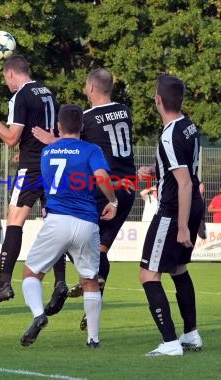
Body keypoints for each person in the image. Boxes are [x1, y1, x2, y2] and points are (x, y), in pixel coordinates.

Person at [33, 68, 137, 326]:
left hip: (106, 188)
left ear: (90, 88)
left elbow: (71, 143)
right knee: (100, 248)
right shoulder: (124, 111)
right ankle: (95, 297)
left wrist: (51, 140)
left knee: (68, 235)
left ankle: (74, 285)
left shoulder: (88, 118)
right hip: (128, 188)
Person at [0, 55, 67, 310]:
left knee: (14, 221)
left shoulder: (20, 96)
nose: (7, 84)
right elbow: (52, 130)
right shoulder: (47, 92)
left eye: (6, 79)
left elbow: (11, 138)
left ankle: (4, 283)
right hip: (52, 164)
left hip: (32, 169)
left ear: (11, 74)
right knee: (55, 221)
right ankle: (60, 281)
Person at [20, 104, 118, 348]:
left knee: (31, 274)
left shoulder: (47, 152)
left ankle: (38, 315)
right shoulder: (90, 149)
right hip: (86, 222)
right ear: (82, 127)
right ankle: (93, 339)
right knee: (90, 279)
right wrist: (113, 200)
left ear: (58, 127)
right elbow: (102, 177)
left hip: (58, 220)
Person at [137, 75, 204, 356]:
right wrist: (156, 170)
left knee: (148, 275)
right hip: (191, 204)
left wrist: (182, 227)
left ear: (158, 100)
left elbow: (185, 181)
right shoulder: (189, 126)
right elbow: (184, 167)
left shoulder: (169, 134)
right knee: (178, 269)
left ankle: (169, 342)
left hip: (173, 210)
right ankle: (191, 335)